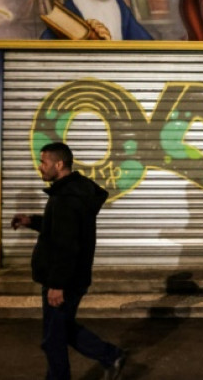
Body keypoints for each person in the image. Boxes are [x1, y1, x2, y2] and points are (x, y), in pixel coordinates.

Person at [11, 142, 126, 380]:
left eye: (44, 162)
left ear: (59, 164)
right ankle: (110, 355)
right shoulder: (74, 191)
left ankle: (107, 356)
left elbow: (67, 244)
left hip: (65, 279)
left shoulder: (66, 196)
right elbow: (61, 228)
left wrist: (57, 284)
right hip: (72, 276)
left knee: (53, 339)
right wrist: (31, 221)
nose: (40, 167)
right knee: (59, 331)